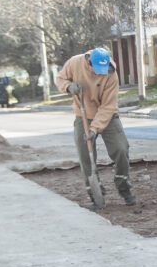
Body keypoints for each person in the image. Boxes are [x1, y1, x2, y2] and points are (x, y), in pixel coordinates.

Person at [55, 47, 136, 207]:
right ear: (88, 62)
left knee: (121, 149)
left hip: (108, 115)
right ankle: (95, 194)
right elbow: (60, 79)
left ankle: (123, 187)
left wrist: (94, 129)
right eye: (96, 69)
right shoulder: (74, 63)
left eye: (103, 70)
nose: (100, 73)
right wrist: (68, 87)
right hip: (83, 115)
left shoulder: (111, 74)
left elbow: (108, 106)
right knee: (85, 155)